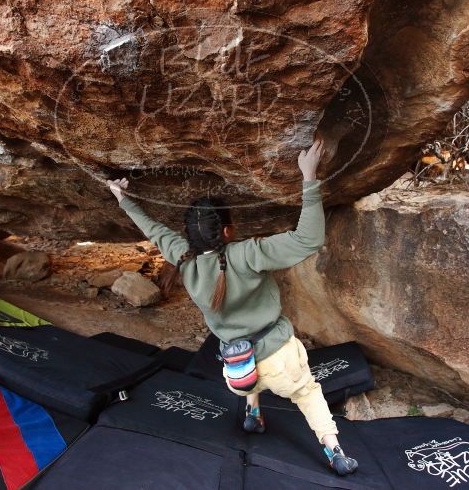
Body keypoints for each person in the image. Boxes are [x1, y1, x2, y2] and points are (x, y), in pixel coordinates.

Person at [106, 139, 358, 476]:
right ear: (228, 231)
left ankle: (253, 414)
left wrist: (122, 198)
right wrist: (308, 177)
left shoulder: (182, 258)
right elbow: (307, 239)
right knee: (307, 393)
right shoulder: (246, 254)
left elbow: (154, 230)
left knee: (253, 381)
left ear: (189, 235)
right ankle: (334, 450)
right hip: (281, 361)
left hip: (237, 368)